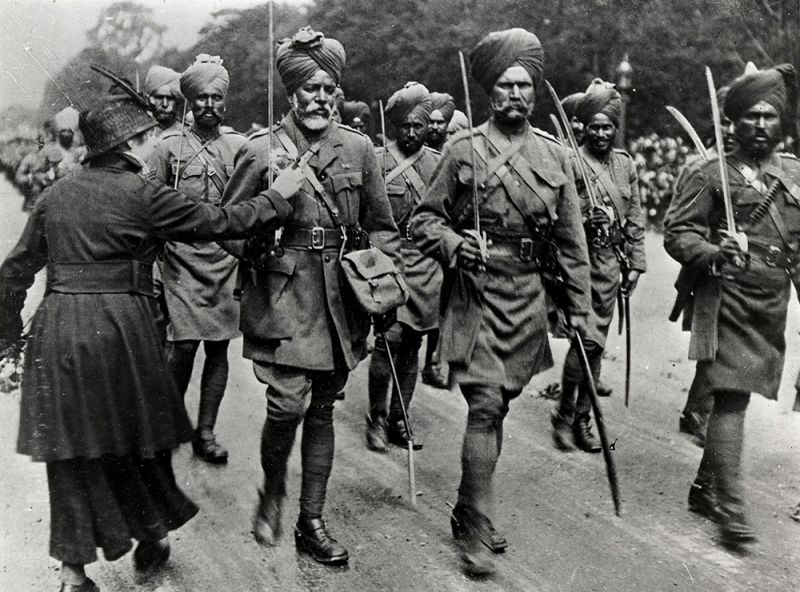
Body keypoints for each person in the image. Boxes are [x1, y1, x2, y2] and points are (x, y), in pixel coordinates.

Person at [0, 79, 301, 592]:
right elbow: (222, 222)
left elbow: (13, 274)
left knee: (69, 450)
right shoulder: (145, 195)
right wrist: (278, 196)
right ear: (128, 145)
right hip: (123, 327)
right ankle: (149, 534)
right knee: (144, 437)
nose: (151, 146)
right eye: (144, 139)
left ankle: (74, 575)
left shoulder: (54, 195)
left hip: (59, 331)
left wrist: (8, 338)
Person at [410, 28, 591, 575]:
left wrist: (580, 309)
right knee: (485, 406)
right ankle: (478, 524)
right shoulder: (463, 150)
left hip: (528, 296)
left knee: (501, 404)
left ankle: (468, 505)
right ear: (489, 93)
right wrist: (453, 243)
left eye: (525, 85)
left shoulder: (555, 155)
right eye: (506, 85)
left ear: (535, 92)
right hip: (475, 294)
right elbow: (424, 219)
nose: (516, 94)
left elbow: (571, 241)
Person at [220, 26, 401, 565]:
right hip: (281, 297)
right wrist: (272, 208)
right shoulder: (262, 151)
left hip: (340, 299)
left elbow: (382, 226)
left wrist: (383, 281)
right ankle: (273, 485)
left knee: (322, 409)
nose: (320, 99)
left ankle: (311, 519)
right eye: (310, 89)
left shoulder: (360, 148)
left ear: (338, 93)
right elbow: (229, 229)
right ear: (292, 92)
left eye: (329, 89)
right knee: (286, 405)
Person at [664, 63, 800, 549]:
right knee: (730, 394)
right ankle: (731, 508)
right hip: (725, 295)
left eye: (769, 117)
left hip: (770, 302)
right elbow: (678, 233)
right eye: (751, 117)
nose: (761, 126)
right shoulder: (709, 172)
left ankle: (705, 487)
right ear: (734, 122)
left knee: (739, 391)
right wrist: (713, 252)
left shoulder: (793, 175)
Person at [148, 55, 246, 464]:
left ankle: (205, 431)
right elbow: (147, 206)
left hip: (225, 259)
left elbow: (254, 201)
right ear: (189, 101)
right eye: (201, 97)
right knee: (183, 346)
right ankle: (171, 421)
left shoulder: (240, 147)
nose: (208, 104)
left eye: (215, 97)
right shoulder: (168, 148)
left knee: (219, 349)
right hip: (180, 258)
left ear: (225, 102)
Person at [551, 79, 646, 453]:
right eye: (595, 127)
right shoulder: (571, 162)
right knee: (586, 340)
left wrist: (635, 263)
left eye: (608, 127)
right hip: (578, 261)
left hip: (610, 264)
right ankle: (569, 418)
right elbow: (555, 210)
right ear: (585, 128)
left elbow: (635, 218)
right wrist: (581, 220)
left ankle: (578, 416)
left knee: (595, 343)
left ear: (615, 129)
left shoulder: (625, 166)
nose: (602, 133)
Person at [366, 82, 441, 451]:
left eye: (419, 126)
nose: (412, 132)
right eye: (405, 125)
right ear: (395, 125)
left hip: (426, 263)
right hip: (390, 258)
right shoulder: (378, 160)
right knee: (387, 342)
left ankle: (400, 416)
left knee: (412, 343)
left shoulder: (438, 164)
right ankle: (377, 418)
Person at [673, 84, 736, 447]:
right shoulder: (702, 167)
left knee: (728, 343)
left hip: (742, 268)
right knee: (711, 342)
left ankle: (698, 408)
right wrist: (710, 247)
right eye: (725, 123)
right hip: (708, 267)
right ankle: (697, 412)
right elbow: (683, 224)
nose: (730, 131)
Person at [144, 65, 183, 134]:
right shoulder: (142, 134)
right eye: (159, 98)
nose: (165, 104)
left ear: (178, 101)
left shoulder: (185, 133)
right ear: (149, 99)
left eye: (170, 98)